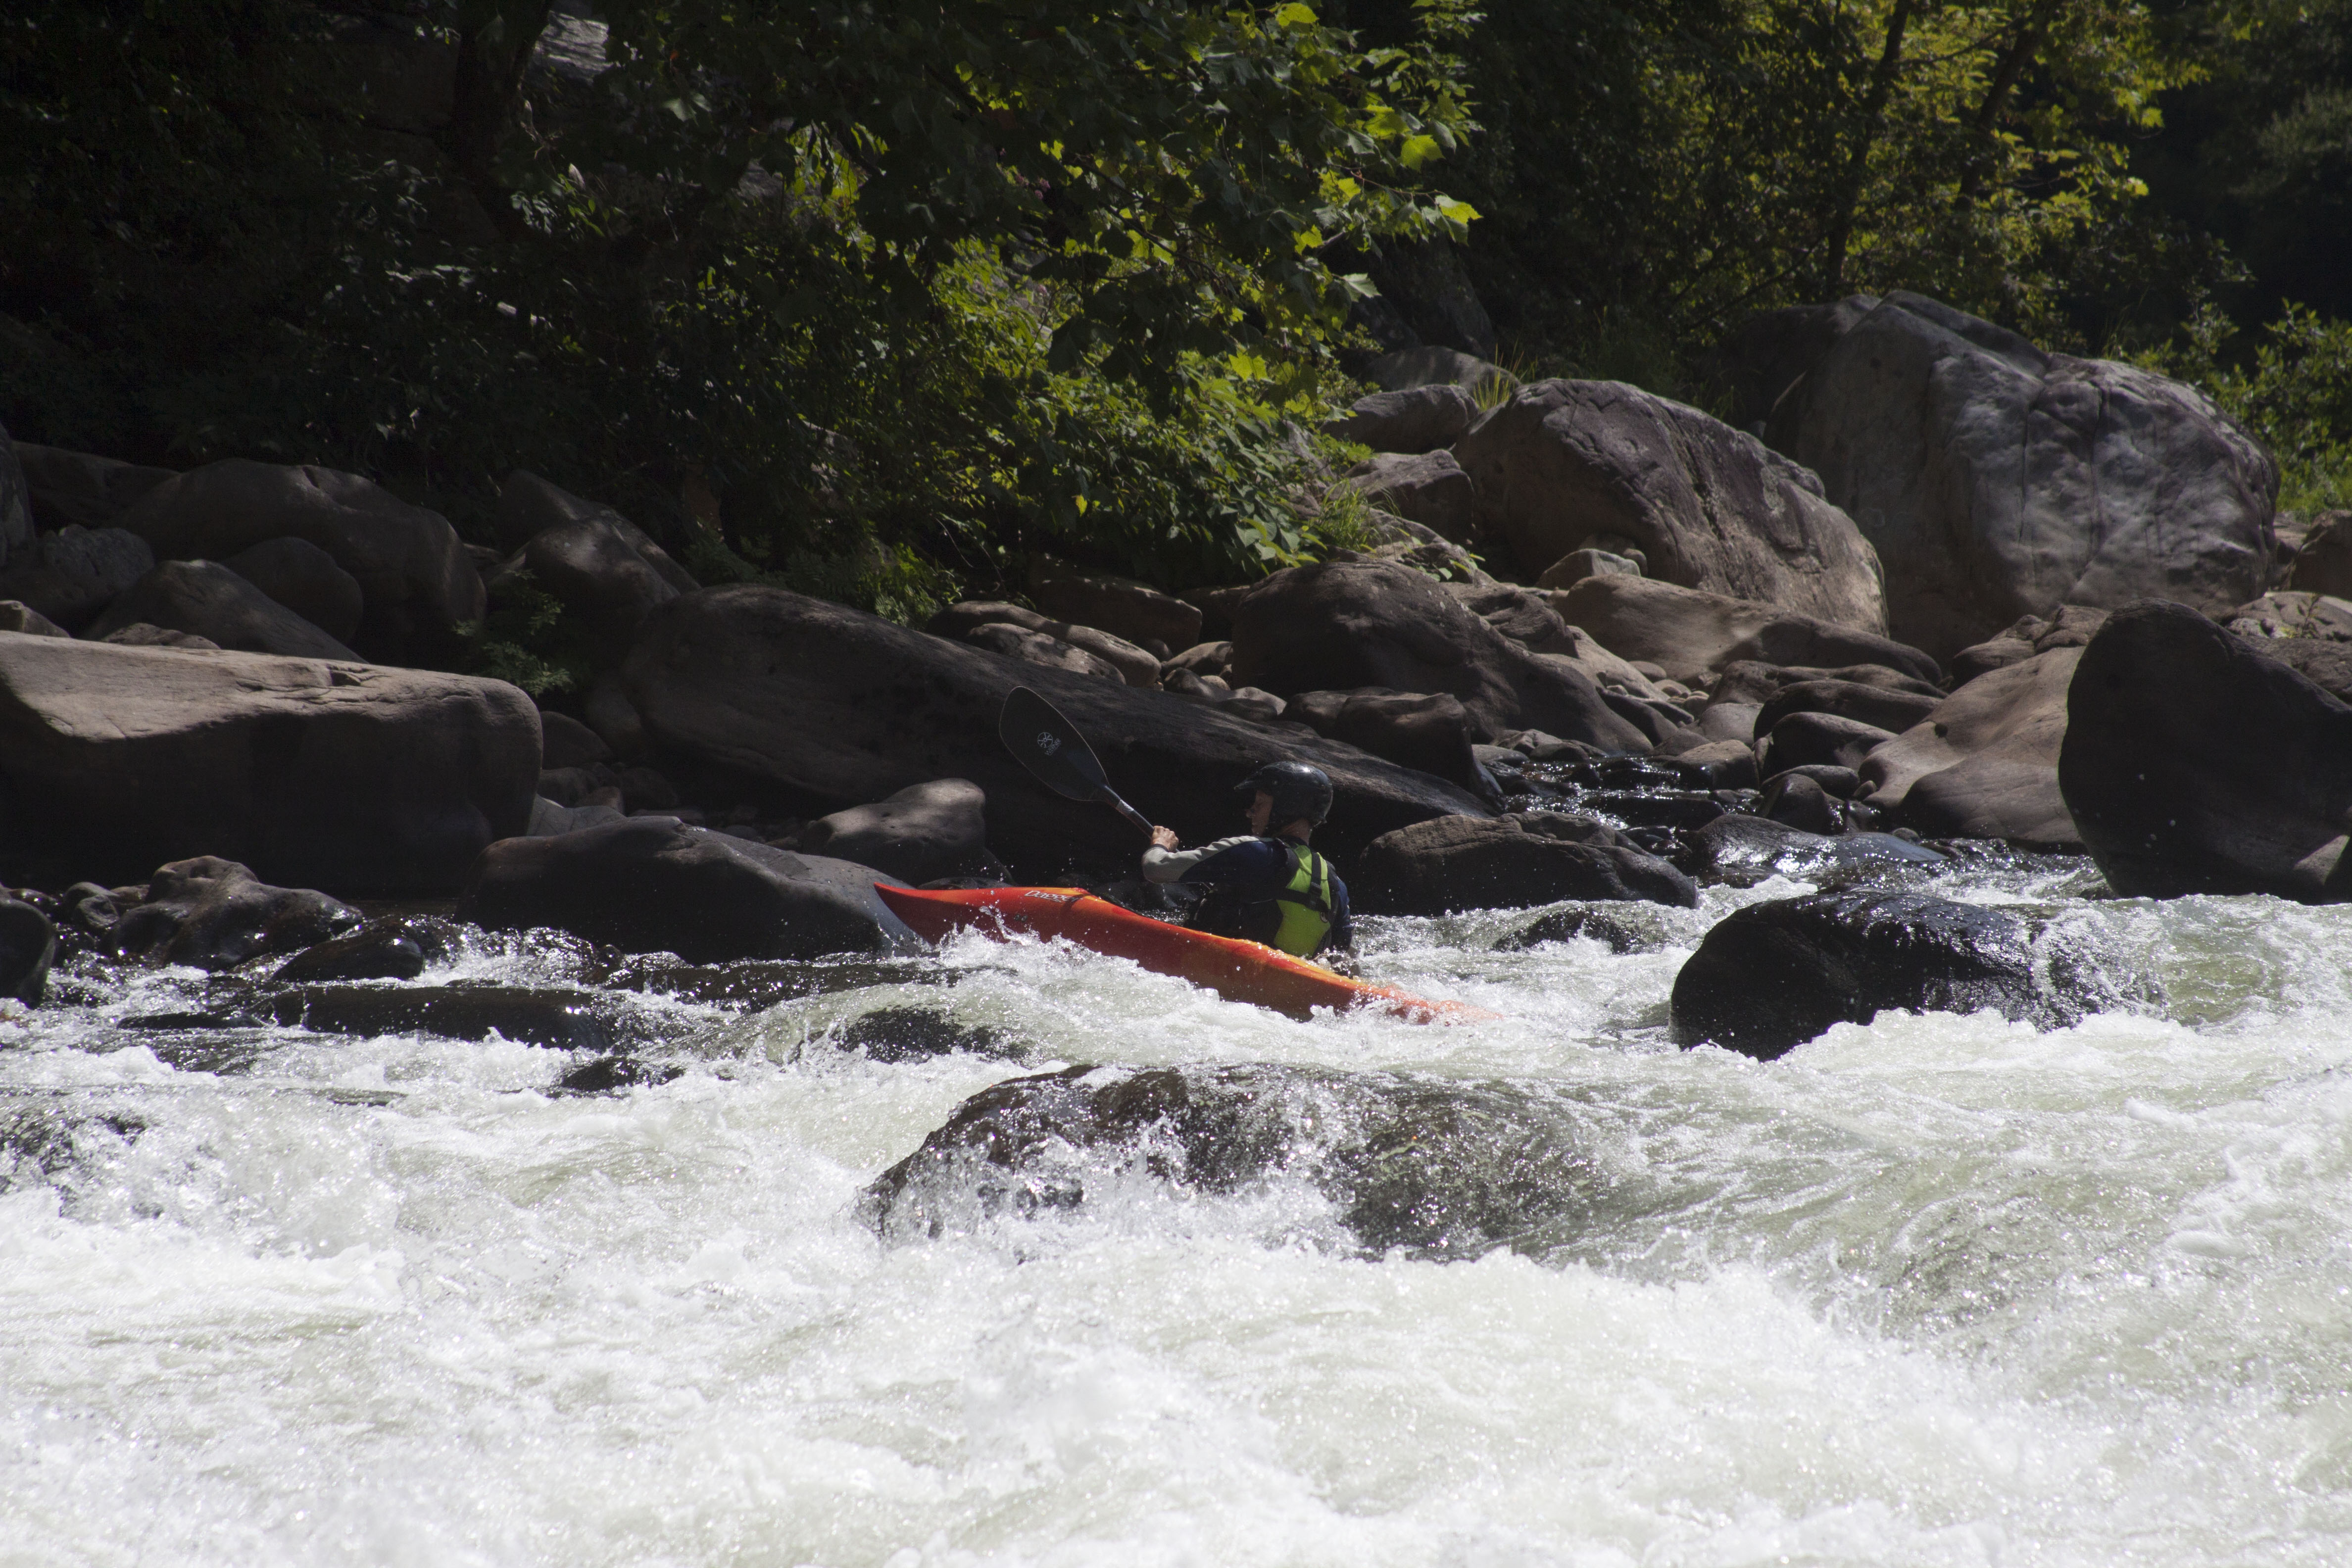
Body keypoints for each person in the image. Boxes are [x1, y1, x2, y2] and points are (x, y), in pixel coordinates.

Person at [1141, 761, 1353, 958]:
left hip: (1221, 968)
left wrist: (1160, 844)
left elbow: (1155, 868)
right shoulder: (1335, 884)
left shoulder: (1253, 851)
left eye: (1260, 804)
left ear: (1286, 806)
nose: (1251, 813)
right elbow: (1346, 957)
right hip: (1286, 980)